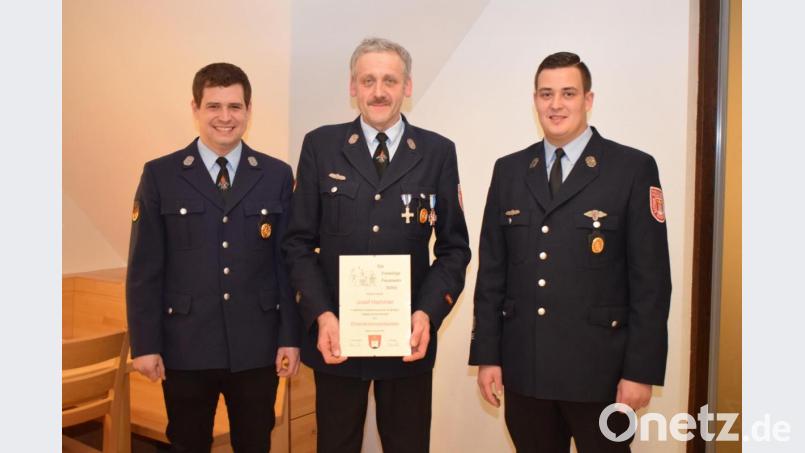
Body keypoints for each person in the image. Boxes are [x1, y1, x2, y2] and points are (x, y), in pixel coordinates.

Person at [469, 52, 672, 452]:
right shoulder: (509, 170)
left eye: (568, 93)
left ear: (588, 100)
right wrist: (488, 356)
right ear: (535, 100)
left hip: (601, 374)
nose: (556, 104)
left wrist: (640, 371)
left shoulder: (631, 168)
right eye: (546, 94)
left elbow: (651, 280)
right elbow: (492, 273)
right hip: (526, 371)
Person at [282, 37, 471, 453]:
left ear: (407, 86)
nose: (379, 91)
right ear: (353, 87)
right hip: (336, 339)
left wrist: (427, 313)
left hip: (407, 342)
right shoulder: (321, 146)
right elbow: (297, 243)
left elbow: (454, 249)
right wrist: (321, 314)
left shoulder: (437, 152)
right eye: (368, 80)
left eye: (390, 80)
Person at [126, 62, 301, 453]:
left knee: (255, 444)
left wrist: (290, 337)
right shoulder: (160, 175)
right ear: (195, 108)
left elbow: (287, 264)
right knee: (188, 444)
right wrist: (145, 344)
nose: (225, 117)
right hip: (185, 345)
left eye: (235, 106)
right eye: (214, 106)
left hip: (257, 346)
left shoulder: (275, 174)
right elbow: (145, 268)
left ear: (249, 110)